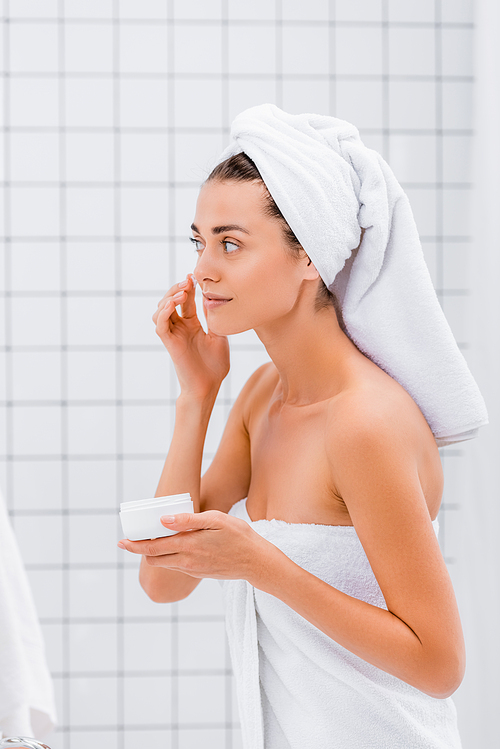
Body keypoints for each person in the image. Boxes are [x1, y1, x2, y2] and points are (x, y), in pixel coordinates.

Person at [117, 105, 486, 748]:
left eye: (231, 243)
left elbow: (440, 664)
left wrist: (265, 566)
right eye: (198, 242)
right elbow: (163, 578)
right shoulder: (263, 399)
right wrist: (196, 397)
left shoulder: (364, 424)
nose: (204, 269)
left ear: (308, 256)